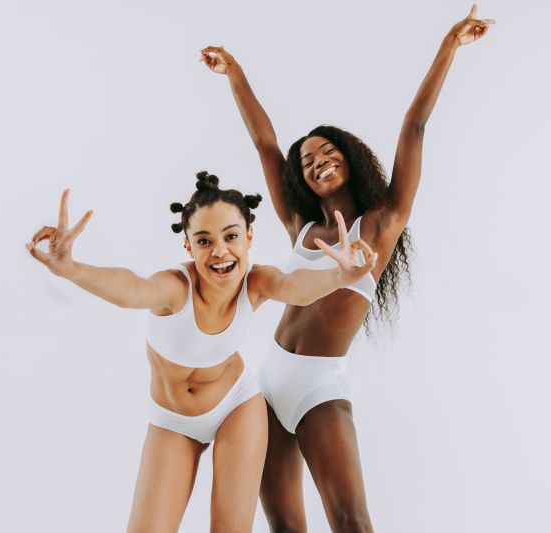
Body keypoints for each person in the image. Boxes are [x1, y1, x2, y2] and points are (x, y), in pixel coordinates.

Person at [200, 5, 495, 532]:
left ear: (350, 156)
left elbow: (416, 125)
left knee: (351, 521)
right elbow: (266, 145)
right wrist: (234, 74)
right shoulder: (300, 228)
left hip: (318, 386)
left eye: (326, 150)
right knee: (286, 528)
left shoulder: (382, 226)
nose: (316, 162)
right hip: (266, 383)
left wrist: (450, 47)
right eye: (307, 162)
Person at [26, 171, 377, 533]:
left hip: (237, 408)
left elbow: (294, 287)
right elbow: (131, 288)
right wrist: (71, 269)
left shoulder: (255, 283)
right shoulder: (175, 288)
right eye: (205, 241)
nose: (220, 251)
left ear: (249, 237)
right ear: (188, 247)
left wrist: (340, 277)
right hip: (173, 420)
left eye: (231, 237)